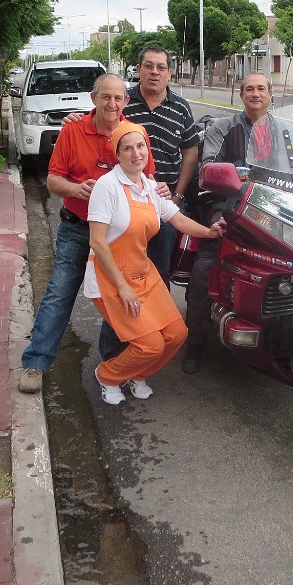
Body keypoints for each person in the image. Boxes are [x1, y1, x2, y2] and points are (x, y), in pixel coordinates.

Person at [17, 74, 156, 394]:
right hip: (78, 229)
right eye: (106, 97)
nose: (112, 104)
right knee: (60, 293)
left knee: (119, 299)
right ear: (93, 99)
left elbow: (146, 179)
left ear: (126, 101)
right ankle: (36, 363)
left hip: (119, 238)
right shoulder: (73, 130)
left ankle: (115, 364)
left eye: (119, 98)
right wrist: (77, 189)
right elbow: (53, 181)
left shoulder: (134, 133)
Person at [85, 121, 226, 404]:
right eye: (127, 148)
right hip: (111, 278)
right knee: (149, 345)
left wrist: (208, 231)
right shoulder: (106, 187)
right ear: (117, 153)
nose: (136, 153)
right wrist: (122, 286)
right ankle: (108, 375)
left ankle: (137, 375)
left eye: (140, 146)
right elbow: (97, 242)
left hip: (142, 271)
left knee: (176, 335)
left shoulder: (149, 187)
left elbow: (178, 219)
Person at [97, 45, 200, 361]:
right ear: (138, 69)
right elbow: (99, 120)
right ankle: (115, 351)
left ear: (169, 72)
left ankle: (150, 341)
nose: (155, 72)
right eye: (149, 66)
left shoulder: (181, 108)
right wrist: (77, 118)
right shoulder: (125, 104)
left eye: (162, 67)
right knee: (121, 282)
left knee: (158, 277)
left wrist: (179, 195)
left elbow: (191, 151)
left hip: (163, 208)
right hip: (124, 209)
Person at [182, 72, 275, 374]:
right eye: (249, 89)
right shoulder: (224, 128)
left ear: (270, 94)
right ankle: (195, 344)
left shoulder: (286, 133)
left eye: (261, 88)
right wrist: (240, 175)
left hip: (275, 209)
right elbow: (208, 166)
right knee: (205, 268)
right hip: (229, 206)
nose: (255, 94)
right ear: (241, 95)